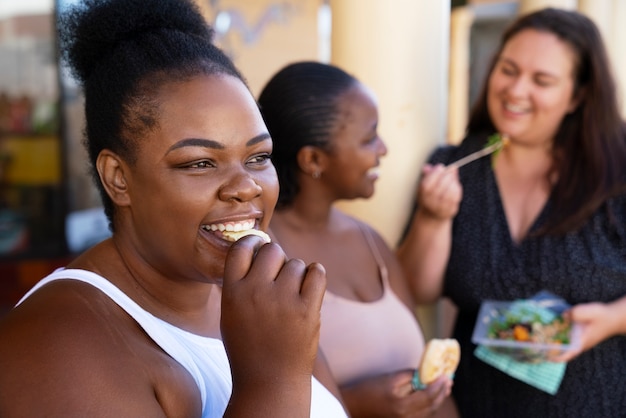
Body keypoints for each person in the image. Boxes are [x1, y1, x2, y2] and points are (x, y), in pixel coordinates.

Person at [0, 0, 348, 416]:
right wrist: (272, 378)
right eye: (199, 163)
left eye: (258, 157)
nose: (246, 186)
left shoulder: (259, 298)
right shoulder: (57, 347)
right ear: (118, 177)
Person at [398, 7, 626, 418]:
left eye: (542, 80)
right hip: (476, 404)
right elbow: (418, 290)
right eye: (508, 69)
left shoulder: (617, 174)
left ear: (577, 96)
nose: (516, 90)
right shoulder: (456, 167)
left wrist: (611, 319)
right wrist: (432, 219)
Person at [258, 61, 456, 418]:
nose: (383, 149)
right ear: (313, 159)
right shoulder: (264, 256)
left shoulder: (371, 243)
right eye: (369, 138)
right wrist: (356, 403)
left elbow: (434, 383)